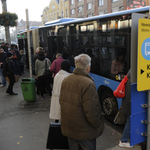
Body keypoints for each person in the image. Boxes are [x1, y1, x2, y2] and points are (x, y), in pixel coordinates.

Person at [59, 54, 104, 150]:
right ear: (88, 68)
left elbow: (61, 102)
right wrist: (98, 125)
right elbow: (92, 112)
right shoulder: (88, 84)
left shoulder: (66, 79)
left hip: (70, 128)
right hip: (85, 132)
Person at [118, 69, 133, 148]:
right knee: (129, 121)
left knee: (129, 121)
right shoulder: (133, 76)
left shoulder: (130, 74)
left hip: (128, 102)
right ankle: (123, 140)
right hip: (130, 103)